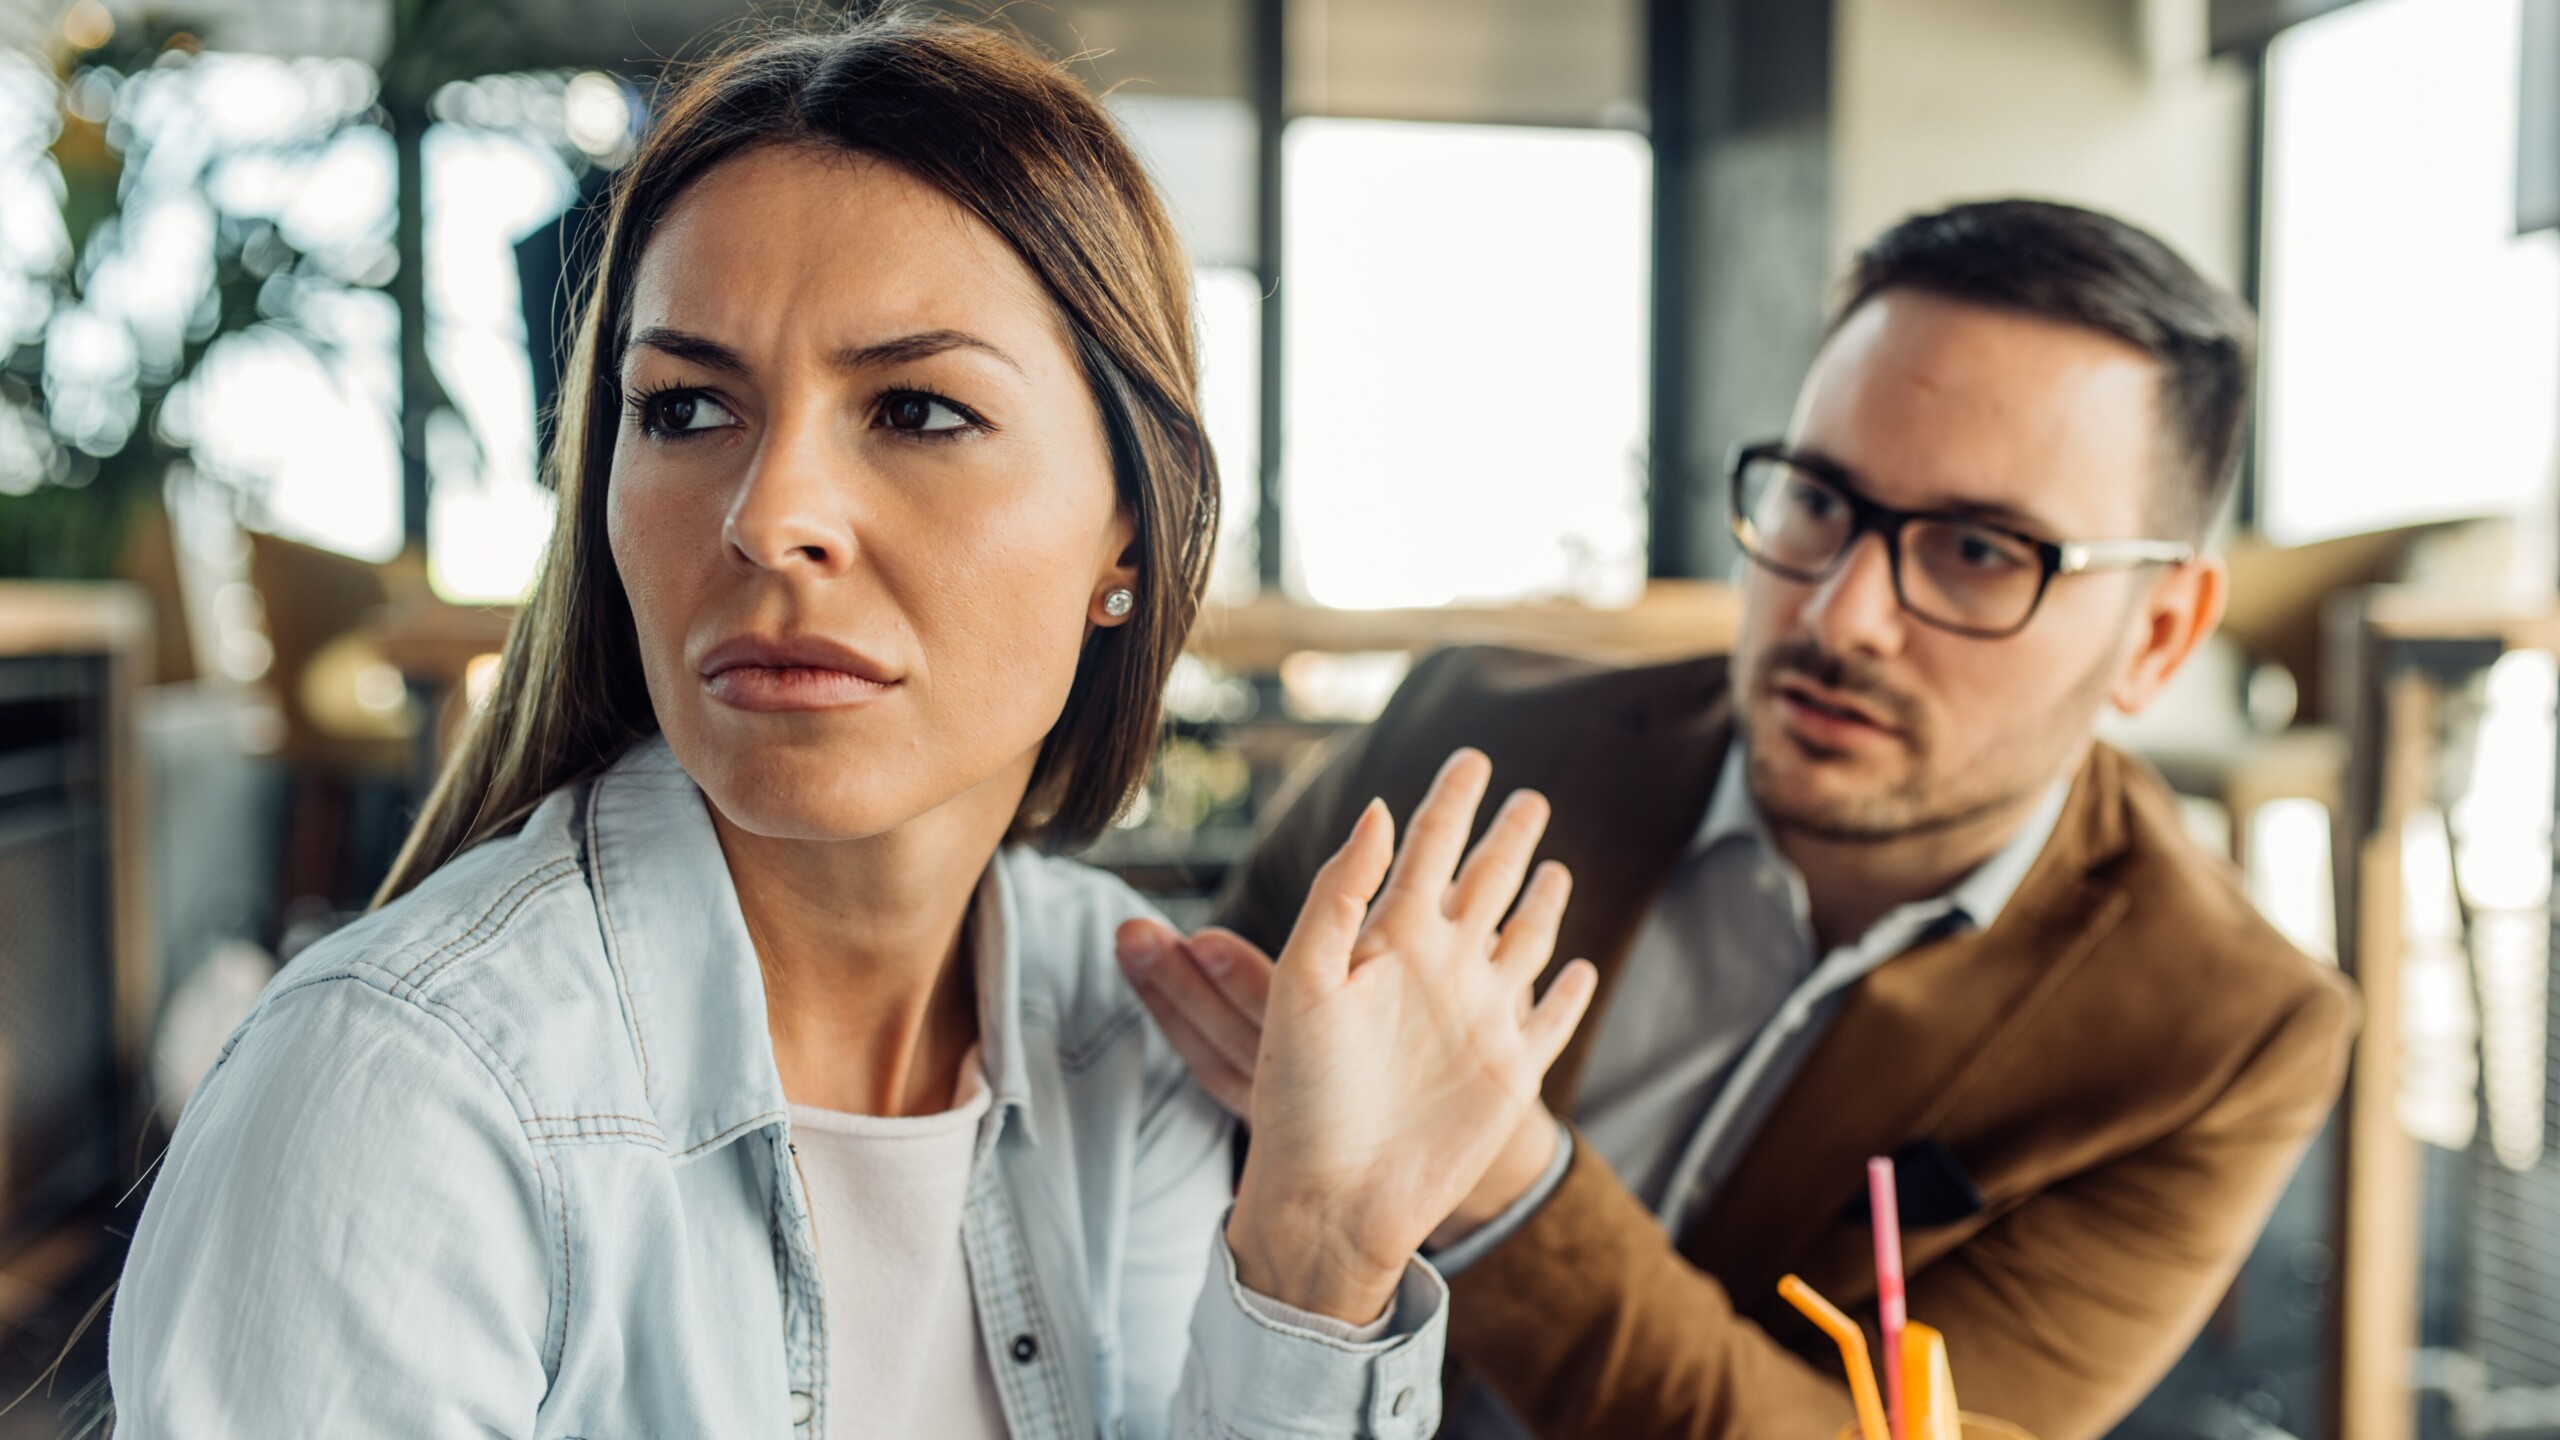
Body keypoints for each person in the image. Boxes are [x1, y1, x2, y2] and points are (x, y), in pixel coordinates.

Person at [106, 16, 1597, 1438]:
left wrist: (1322, 1246)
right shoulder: (402, 1107)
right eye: (685, 409)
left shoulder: (1113, 1031)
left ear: (1128, 534)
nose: (770, 520)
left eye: (917, 412)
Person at [1118, 199, 2360, 1440]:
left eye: (1979, 550)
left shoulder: (2223, 1032)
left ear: (2155, 636)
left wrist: (1496, 1177)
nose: (1840, 617)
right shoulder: (1469, 737)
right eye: (1818, 500)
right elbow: (1141, 1165)